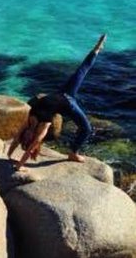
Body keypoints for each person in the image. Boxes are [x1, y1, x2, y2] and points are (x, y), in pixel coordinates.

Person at [9, 34, 106, 170]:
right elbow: (29, 150)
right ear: (32, 139)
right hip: (69, 105)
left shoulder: (29, 120)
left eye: (24, 137)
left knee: (81, 71)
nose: (27, 136)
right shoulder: (42, 128)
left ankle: (96, 49)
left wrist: (8, 156)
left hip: (63, 92)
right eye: (28, 139)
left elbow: (15, 140)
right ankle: (73, 153)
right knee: (86, 129)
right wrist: (19, 166)